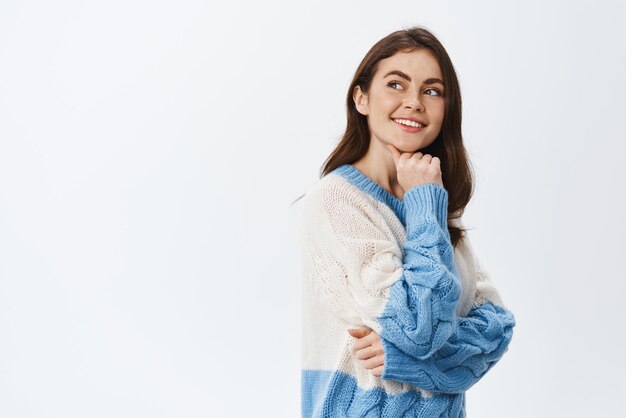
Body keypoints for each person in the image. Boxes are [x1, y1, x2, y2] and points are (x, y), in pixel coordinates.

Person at [297, 26, 516, 417]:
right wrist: (424, 201)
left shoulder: (428, 208)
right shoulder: (336, 202)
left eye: (432, 90)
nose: (414, 102)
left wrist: (406, 360)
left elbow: (496, 328)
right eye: (396, 84)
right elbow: (420, 327)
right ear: (361, 98)